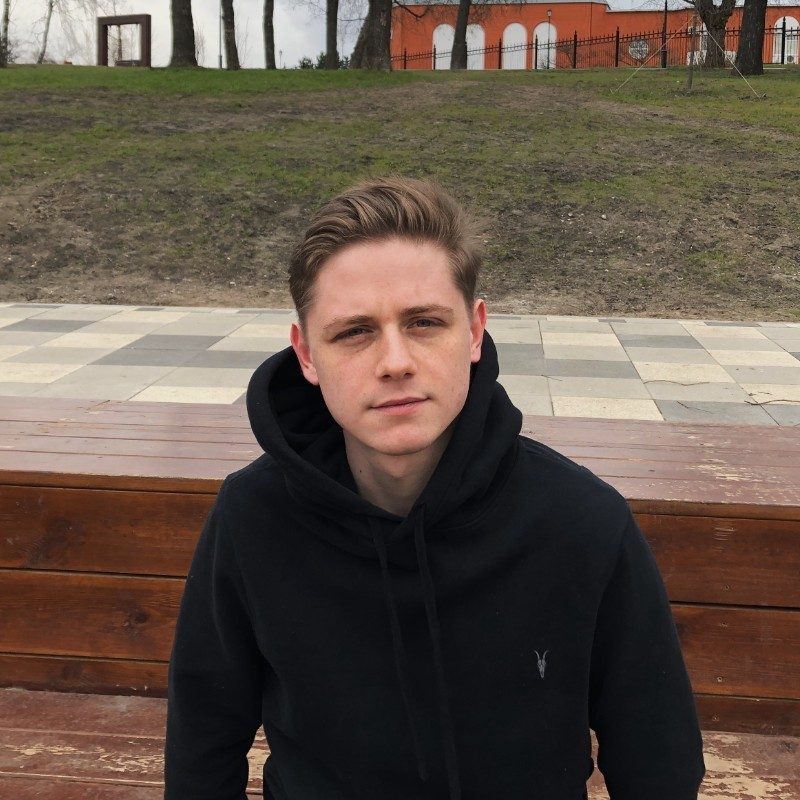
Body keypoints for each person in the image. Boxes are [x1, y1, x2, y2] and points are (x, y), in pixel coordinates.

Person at [164, 177, 705, 800]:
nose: (395, 361)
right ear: (306, 355)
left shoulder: (582, 522)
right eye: (354, 331)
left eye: (424, 322)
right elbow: (204, 734)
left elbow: (658, 759)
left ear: (473, 332)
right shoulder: (252, 515)